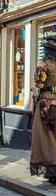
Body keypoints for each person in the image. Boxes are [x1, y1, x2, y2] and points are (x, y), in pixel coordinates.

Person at [30, 31, 56, 184]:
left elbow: (39, 84)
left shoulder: (43, 64)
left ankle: (52, 173)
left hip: (47, 104)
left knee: (47, 139)